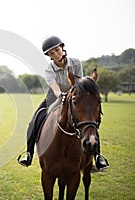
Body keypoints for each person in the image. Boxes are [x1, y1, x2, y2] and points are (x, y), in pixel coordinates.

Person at [17, 36, 109, 171]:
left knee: (89, 121)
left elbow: (80, 83)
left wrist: (76, 96)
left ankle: (97, 156)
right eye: (51, 53)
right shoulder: (49, 69)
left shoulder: (76, 63)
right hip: (54, 96)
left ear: (62, 48)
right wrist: (61, 95)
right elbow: (54, 87)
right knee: (35, 119)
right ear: (49, 56)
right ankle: (29, 154)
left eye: (57, 50)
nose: (55, 54)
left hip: (75, 95)